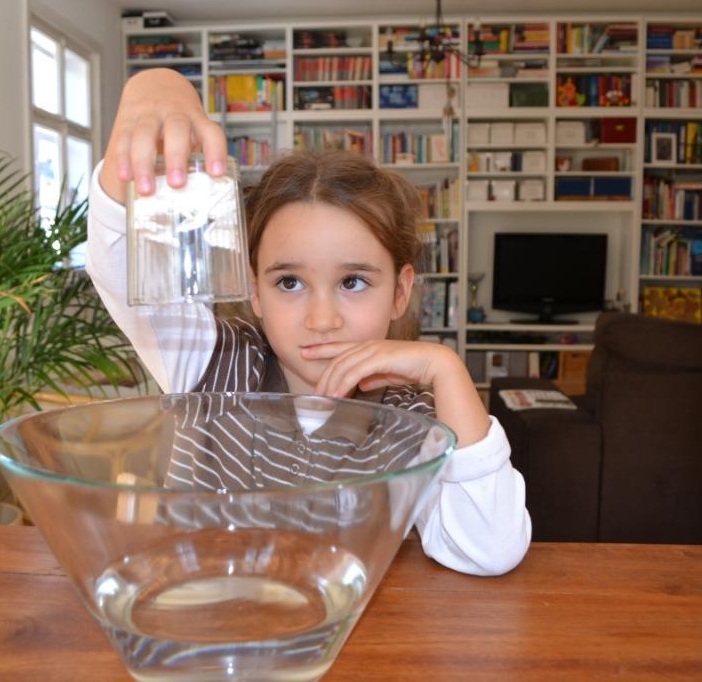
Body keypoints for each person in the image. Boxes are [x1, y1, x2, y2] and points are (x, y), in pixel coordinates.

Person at [87, 68, 531, 576]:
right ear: (254, 289)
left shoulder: (417, 422)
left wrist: (447, 369)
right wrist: (156, 84)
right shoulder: (206, 358)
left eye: (353, 282)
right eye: (290, 282)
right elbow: (116, 259)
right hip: (206, 616)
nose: (322, 320)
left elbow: (489, 549)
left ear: (400, 292)